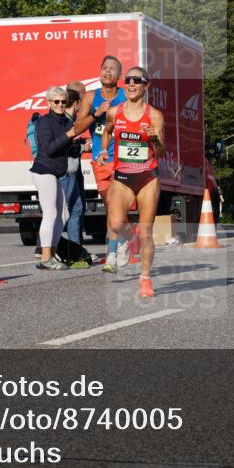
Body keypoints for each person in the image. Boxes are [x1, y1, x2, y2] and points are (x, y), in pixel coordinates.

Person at [100, 66, 164, 296]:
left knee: (146, 231)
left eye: (137, 80)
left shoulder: (154, 115)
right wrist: (103, 150)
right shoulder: (114, 112)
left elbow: (162, 151)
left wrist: (154, 138)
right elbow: (106, 131)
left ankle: (145, 278)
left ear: (146, 85)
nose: (132, 84)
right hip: (123, 177)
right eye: (128, 80)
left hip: (147, 177)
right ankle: (128, 241)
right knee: (116, 224)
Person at [73, 55, 128, 269]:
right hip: (101, 159)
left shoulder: (125, 95)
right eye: (104, 68)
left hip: (123, 158)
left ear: (119, 75)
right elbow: (78, 127)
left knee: (115, 204)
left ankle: (112, 252)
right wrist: (97, 114)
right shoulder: (90, 97)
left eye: (112, 69)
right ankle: (121, 241)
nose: (107, 72)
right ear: (100, 72)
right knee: (109, 204)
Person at [31, 86, 77, 270]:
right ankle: (45, 257)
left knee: (64, 214)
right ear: (48, 103)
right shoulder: (44, 122)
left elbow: (66, 148)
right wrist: (68, 136)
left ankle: (53, 253)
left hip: (55, 172)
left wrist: (81, 147)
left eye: (63, 102)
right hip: (43, 170)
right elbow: (49, 149)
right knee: (50, 213)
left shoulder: (65, 122)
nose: (60, 105)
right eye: (56, 101)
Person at [59, 88, 89, 256]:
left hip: (71, 170)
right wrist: (84, 147)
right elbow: (66, 147)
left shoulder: (68, 120)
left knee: (76, 209)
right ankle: (46, 248)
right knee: (63, 212)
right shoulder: (68, 122)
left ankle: (75, 249)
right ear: (77, 103)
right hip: (67, 171)